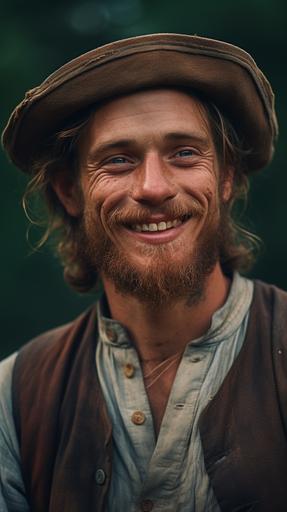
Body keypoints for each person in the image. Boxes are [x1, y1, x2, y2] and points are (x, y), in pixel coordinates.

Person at [0, 33, 286, 512]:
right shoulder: (13, 397)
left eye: (185, 153)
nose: (153, 187)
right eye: (118, 160)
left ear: (227, 177)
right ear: (71, 191)